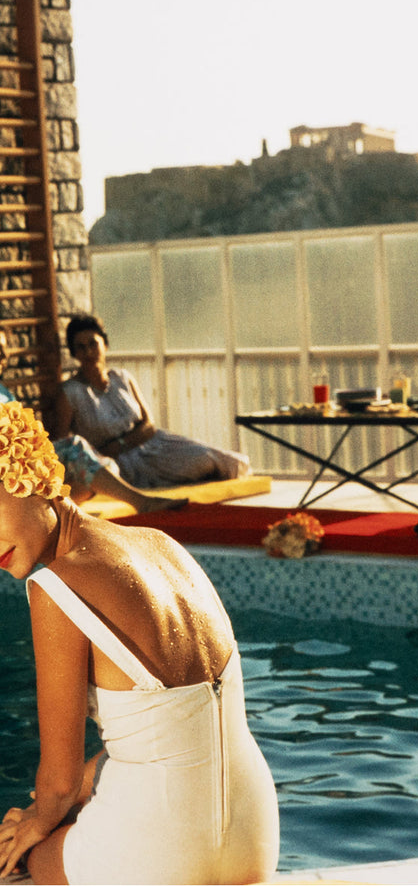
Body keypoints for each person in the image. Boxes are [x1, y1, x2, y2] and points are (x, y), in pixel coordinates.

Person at [0, 401, 279, 883]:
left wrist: (34, 823)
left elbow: (59, 784)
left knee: (17, 857)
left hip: (158, 851)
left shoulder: (55, 588)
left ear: (28, 476)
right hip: (255, 836)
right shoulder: (162, 546)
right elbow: (168, 727)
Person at [0, 328, 186, 514]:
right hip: (8, 467)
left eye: (3, 348)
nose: (2, 355)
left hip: (23, 460)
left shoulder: (4, 391)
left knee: (105, 470)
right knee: (77, 450)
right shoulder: (71, 390)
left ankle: (51, 512)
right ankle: (142, 503)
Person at [54, 314, 250, 489]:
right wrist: (106, 453)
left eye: (93, 344)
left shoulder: (122, 378)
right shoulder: (70, 392)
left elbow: (149, 426)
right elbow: (64, 446)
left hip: (153, 445)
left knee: (210, 458)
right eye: (80, 347)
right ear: (73, 353)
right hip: (112, 461)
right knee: (195, 467)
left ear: (104, 345)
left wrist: (122, 443)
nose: (88, 352)